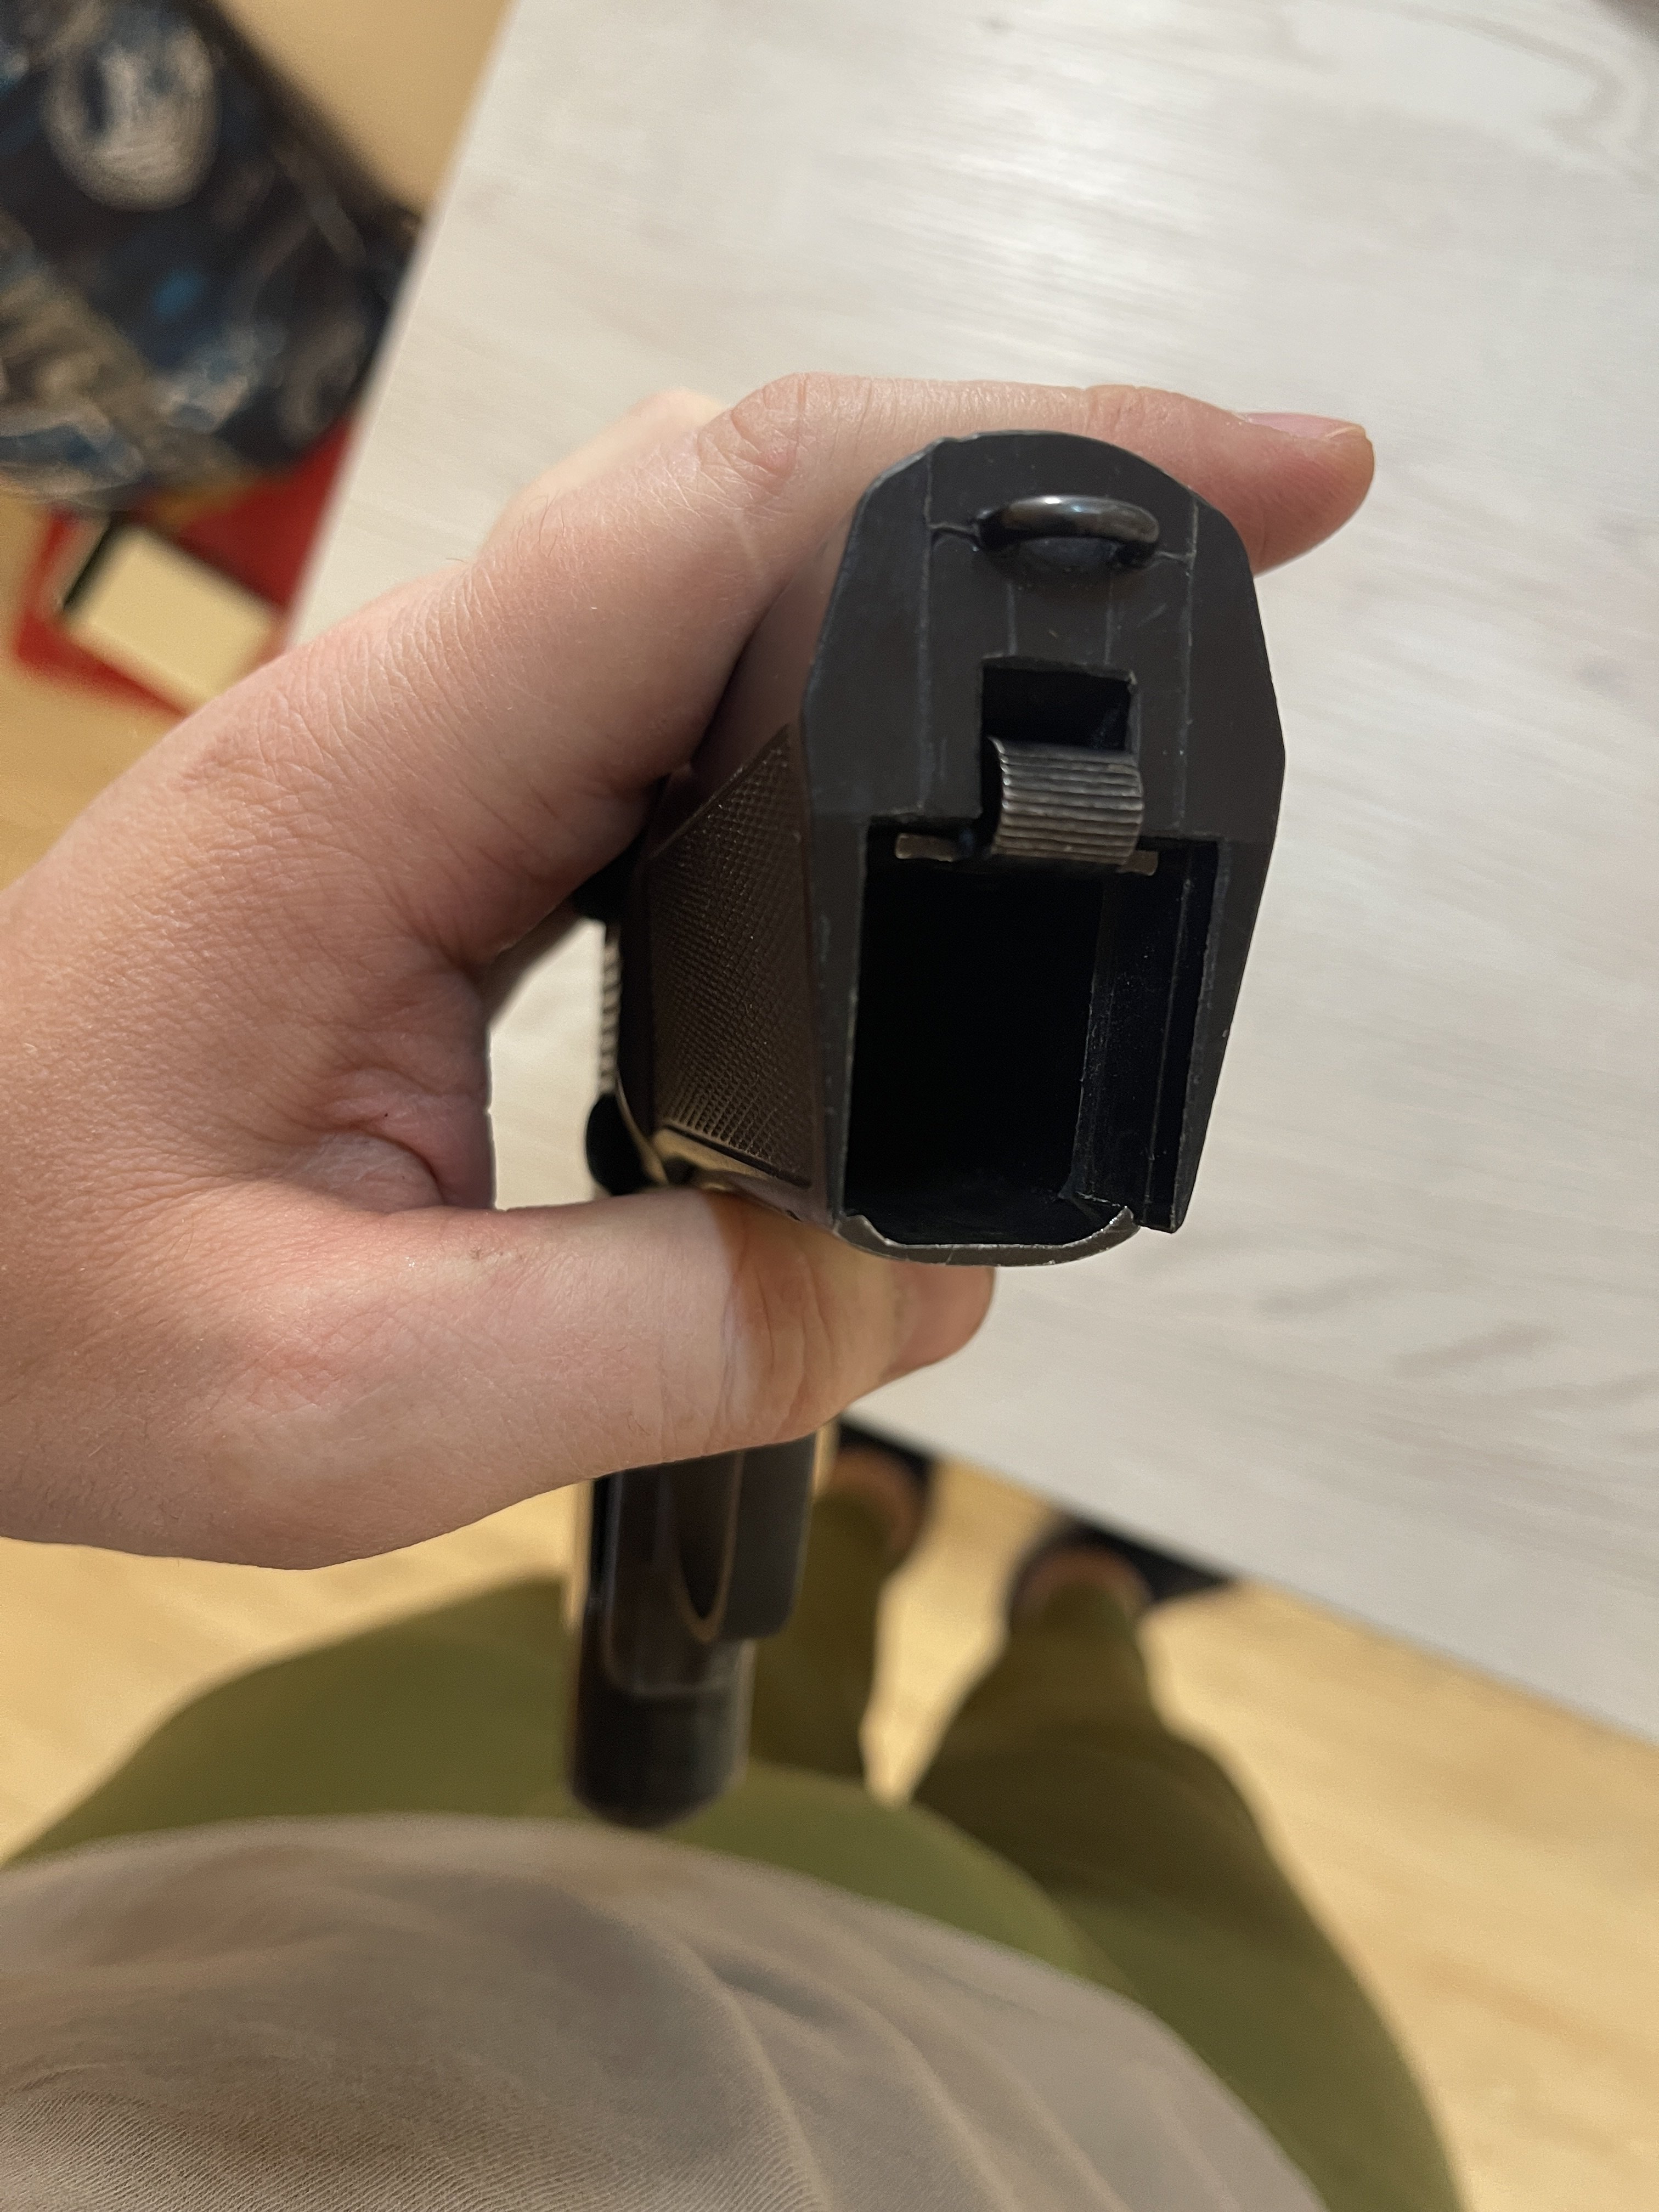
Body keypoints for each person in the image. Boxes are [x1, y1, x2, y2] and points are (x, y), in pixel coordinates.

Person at [0, 375, 1459, 2212]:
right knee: (1126, 1788)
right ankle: (1072, 1610)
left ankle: (879, 1524)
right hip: (1111, 2115)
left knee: (695, 1635)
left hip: (266, 1894)